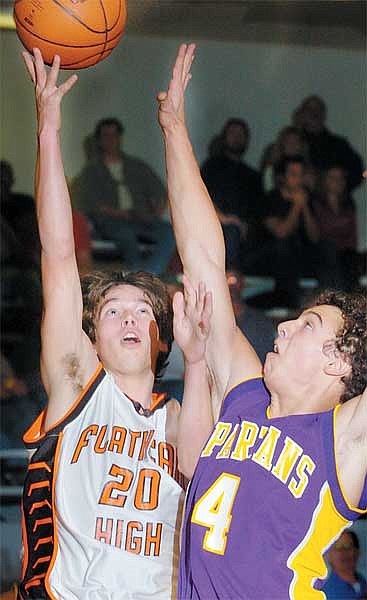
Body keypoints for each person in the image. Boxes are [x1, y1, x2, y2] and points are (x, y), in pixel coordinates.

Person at [157, 43, 367, 600]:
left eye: (306, 326)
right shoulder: (245, 396)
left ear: (339, 359)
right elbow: (203, 259)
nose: (281, 327)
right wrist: (175, 133)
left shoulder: (344, 439)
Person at [18, 48, 191, 600]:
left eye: (144, 309)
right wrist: (48, 128)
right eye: (114, 310)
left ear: (162, 337)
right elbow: (59, 255)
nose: (132, 317)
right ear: (92, 336)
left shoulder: (181, 416)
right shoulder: (76, 385)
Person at [71, 117, 175, 274]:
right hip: (110, 222)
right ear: (99, 140)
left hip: (141, 218)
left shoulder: (137, 166)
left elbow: (160, 192)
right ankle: (137, 275)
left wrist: (154, 214)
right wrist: (120, 214)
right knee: (126, 236)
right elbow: (90, 204)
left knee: (170, 232)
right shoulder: (91, 171)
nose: (111, 140)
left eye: (115, 135)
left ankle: (149, 273)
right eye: (106, 136)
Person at [201, 118, 264, 269]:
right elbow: (202, 197)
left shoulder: (253, 175)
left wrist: (247, 225)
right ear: (224, 137)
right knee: (231, 232)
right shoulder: (211, 167)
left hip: (246, 231)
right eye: (233, 133)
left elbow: (258, 209)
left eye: (241, 134)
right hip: (216, 224)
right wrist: (225, 219)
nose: (237, 138)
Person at [295, 95, 364, 191]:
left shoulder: (340, 145)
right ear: (302, 114)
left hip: (331, 204)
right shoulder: (293, 144)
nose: (314, 113)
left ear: (324, 114)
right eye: (309, 109)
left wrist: (337, 188)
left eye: (318, 109)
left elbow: (362, 173)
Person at [322, 531, 367, 599]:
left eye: (348, 545)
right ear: (328, 555)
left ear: (356, 552)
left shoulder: (364, 583)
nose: (342, 551)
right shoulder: (324, 594)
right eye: (337, 546)